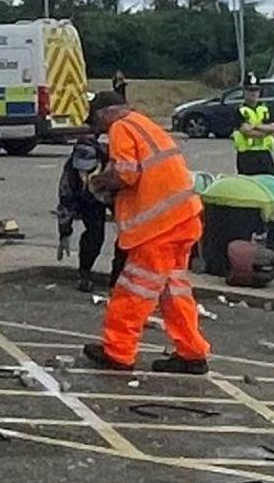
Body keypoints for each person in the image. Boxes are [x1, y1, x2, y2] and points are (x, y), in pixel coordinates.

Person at [86, 95, 211, 373]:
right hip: (185, 218)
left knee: (133, 290)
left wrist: (98, 181)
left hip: (158, 227)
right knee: (173, 290)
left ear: (106, 113)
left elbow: (126, 174)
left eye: (97, 121)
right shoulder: (146, 124)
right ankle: (192, 353)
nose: (100, 129)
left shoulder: (120, 127)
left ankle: (118, 352)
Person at [56, 126, 114, 285]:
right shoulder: (71, 174)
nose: (84, 175)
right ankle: (84, 273)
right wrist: (64, 232)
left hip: (113, 193)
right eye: (81, 170)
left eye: (89, 169)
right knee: (95, 235)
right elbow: (65, 202)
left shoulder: (113, 164)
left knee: (128, 238)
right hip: (88, 200)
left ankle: (118, 277)